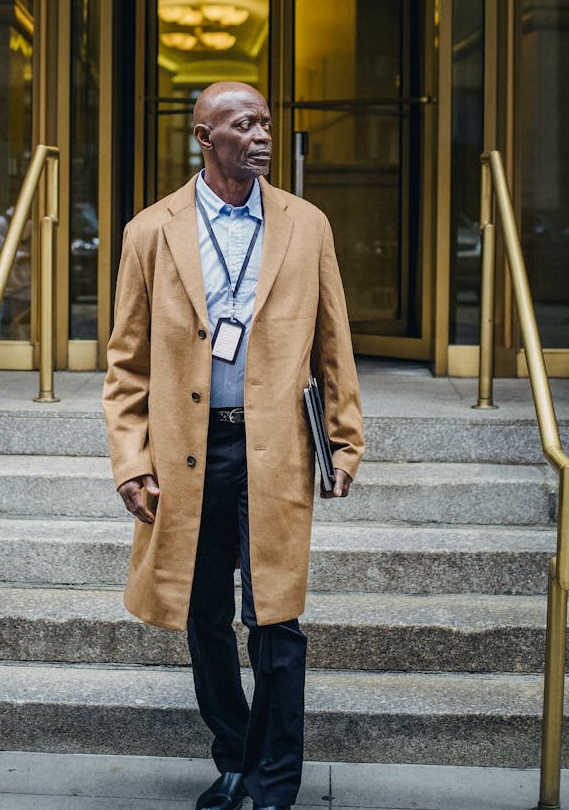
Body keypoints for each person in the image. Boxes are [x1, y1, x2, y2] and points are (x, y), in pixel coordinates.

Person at [104, 81, 364, 810]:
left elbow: (335, 344)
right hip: (189, 452)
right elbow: (125, 365)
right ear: (202, 136)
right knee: (202, 611)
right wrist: (131, 459)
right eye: (241, 123)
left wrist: (344, 442)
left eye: (264, 122)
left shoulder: (307, 224)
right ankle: (235, 756)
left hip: (274, 448)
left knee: (276, 616)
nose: (259, 134)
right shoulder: (150, 231)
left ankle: (275, 782)